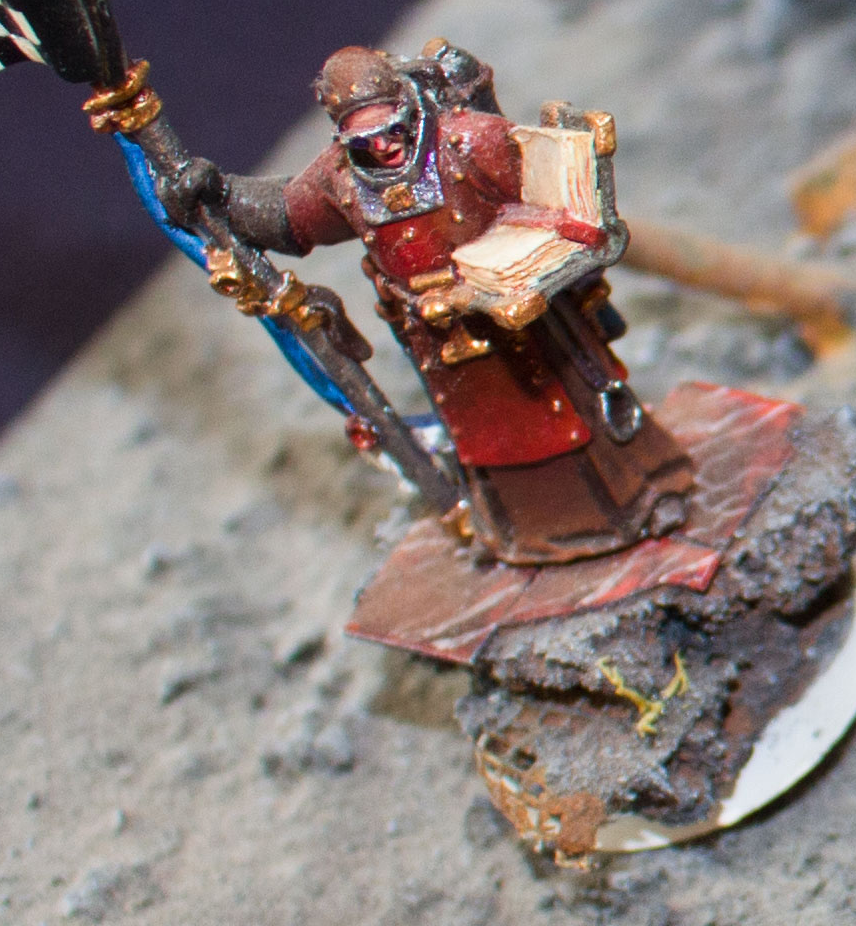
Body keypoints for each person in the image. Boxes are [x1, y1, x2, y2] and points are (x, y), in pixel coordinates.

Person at [177, 45, 691, 565]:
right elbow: (286, 217)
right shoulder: (341, 177)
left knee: (571, 411)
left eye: (391, 129)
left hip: (522, 320)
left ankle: (636, 503)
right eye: (364, 141)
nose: (383, 147)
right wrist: (219, 194)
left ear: (406, 106)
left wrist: (525, 264)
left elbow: (552, 200)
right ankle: (525, 534)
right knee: (489, 438)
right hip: (438, 340)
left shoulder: (468, 142)